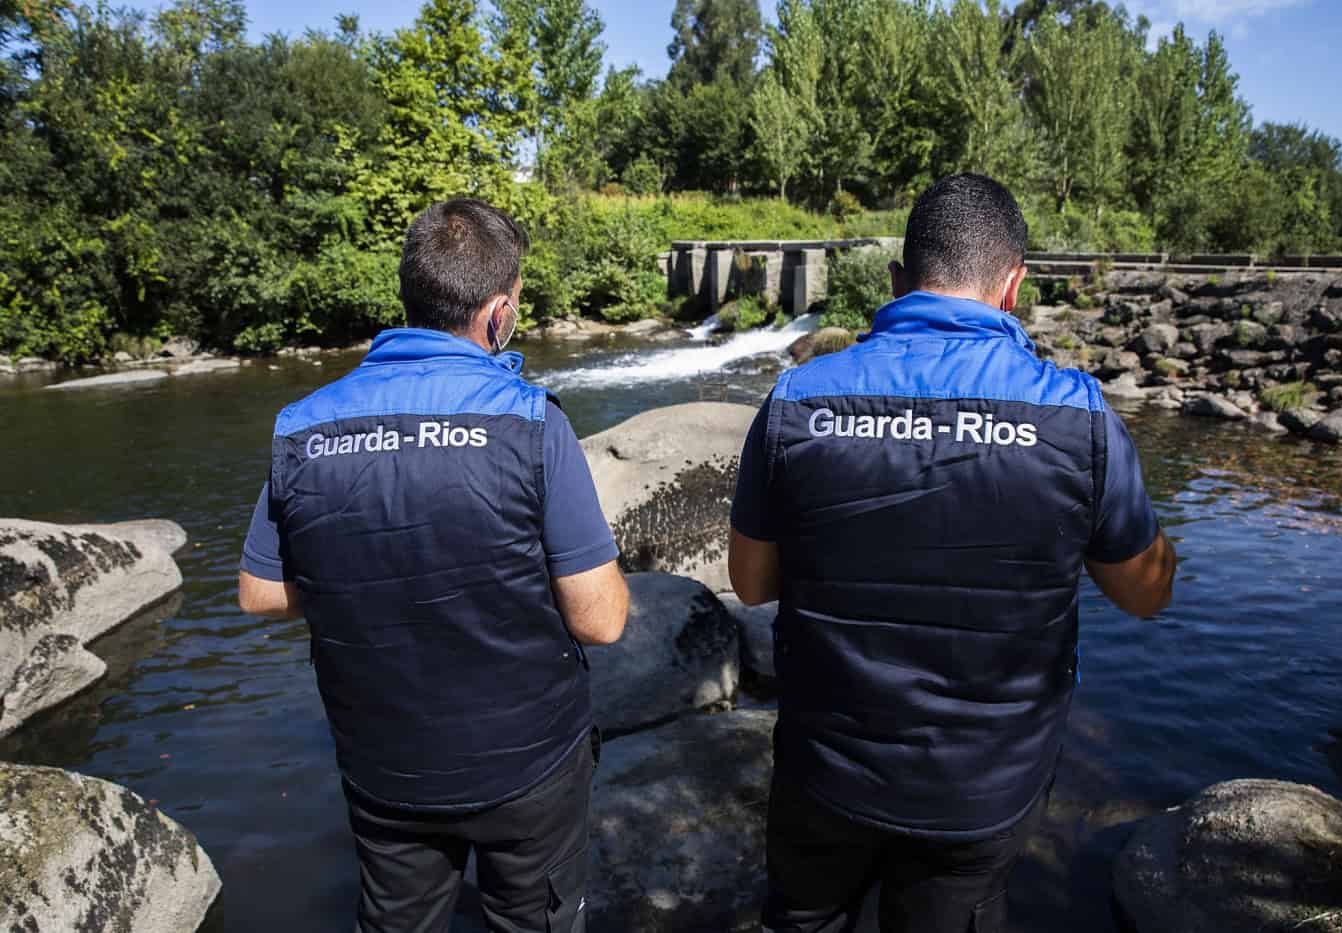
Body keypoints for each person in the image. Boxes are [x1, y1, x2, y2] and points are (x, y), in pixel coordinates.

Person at [728, 173, 1176, 933]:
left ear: (899, 279)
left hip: (825, 773)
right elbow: (1145, 592)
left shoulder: (798, 399)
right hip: (980, 794)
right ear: (1014, 285)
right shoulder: (1079, 418)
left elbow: (750, 582)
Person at [237, 197, 629, 933]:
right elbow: (601, 618)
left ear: (410, 294)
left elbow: (259, 592)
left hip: (385, 768)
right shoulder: (532, 422)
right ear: (497, 313)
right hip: (528, 767)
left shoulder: (304, 425)